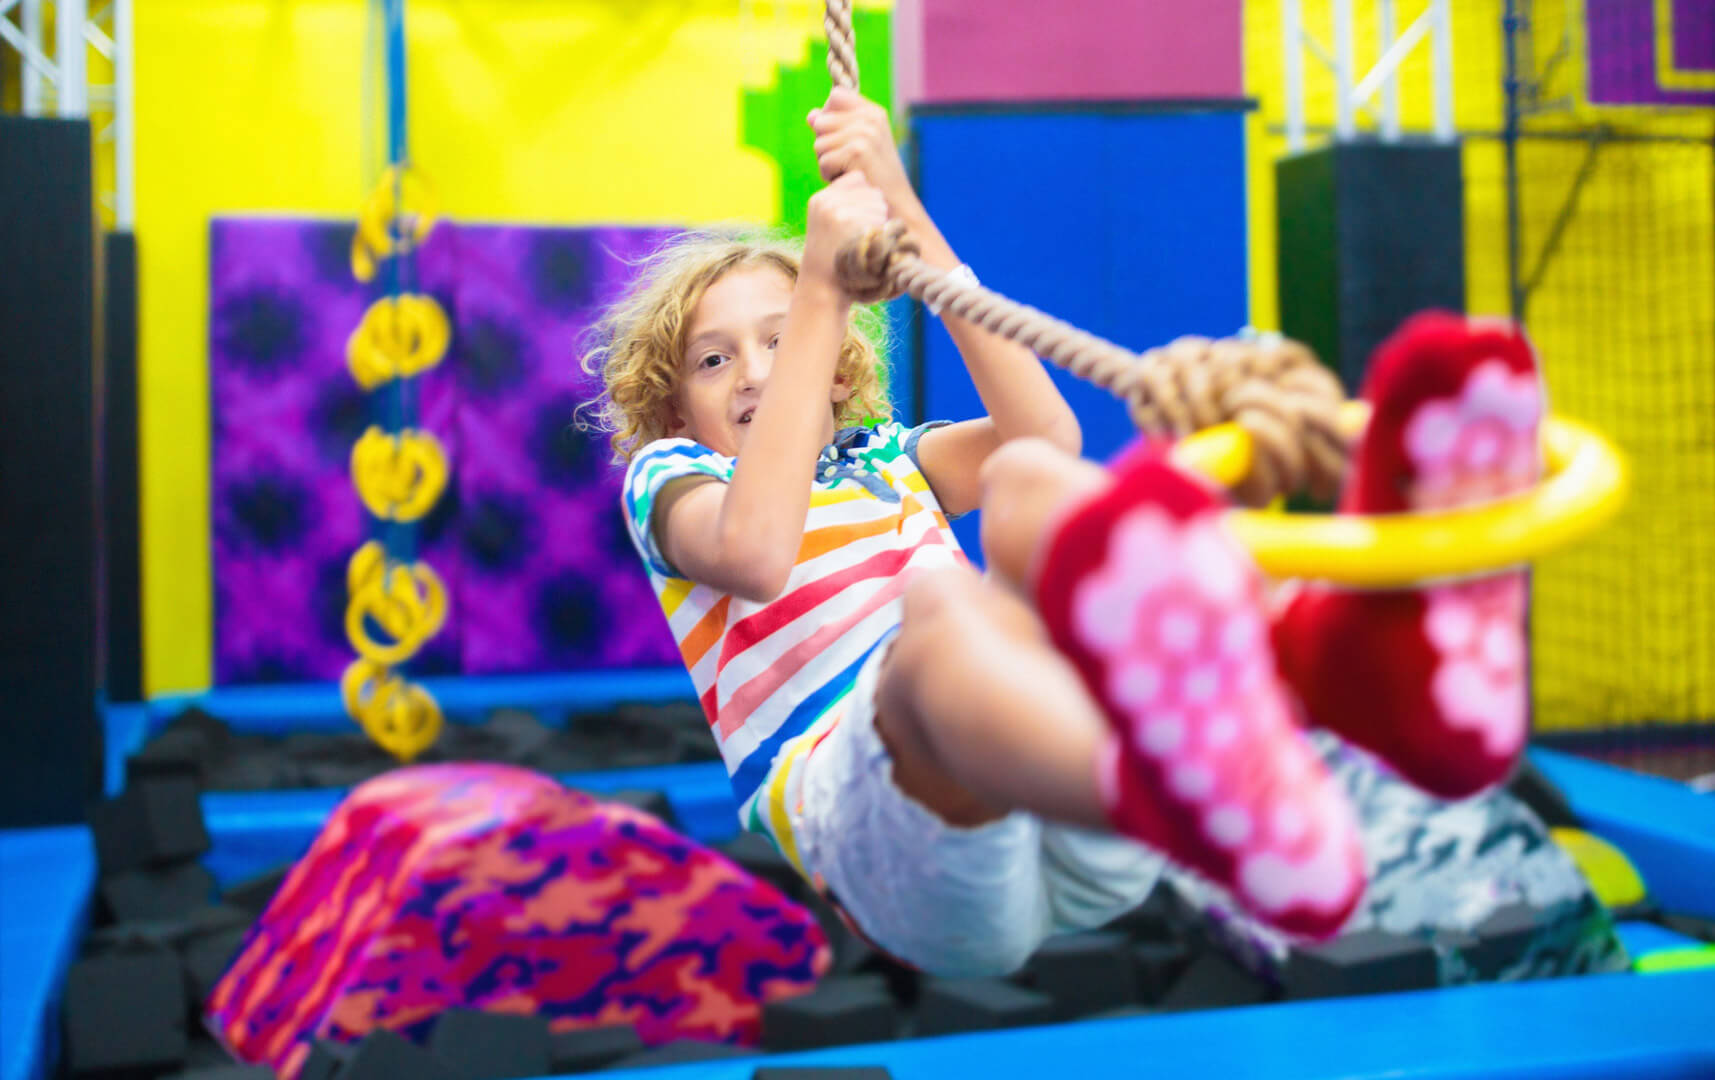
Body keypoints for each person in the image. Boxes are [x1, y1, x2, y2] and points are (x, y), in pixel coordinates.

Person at [585, 88, 1537, 976]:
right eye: (715, 359)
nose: (755, 370)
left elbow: (1047, 435)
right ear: (672, 406)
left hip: (1067, 812)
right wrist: (818, 297)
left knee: (1039, 484)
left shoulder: (887, 457)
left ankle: (1350, 657)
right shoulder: (674, 477)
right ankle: (1202, 781)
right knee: (944, 602)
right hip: (897, 851)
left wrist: (906, 213)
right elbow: (755, 552)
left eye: (779, 336)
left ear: (837, 371)